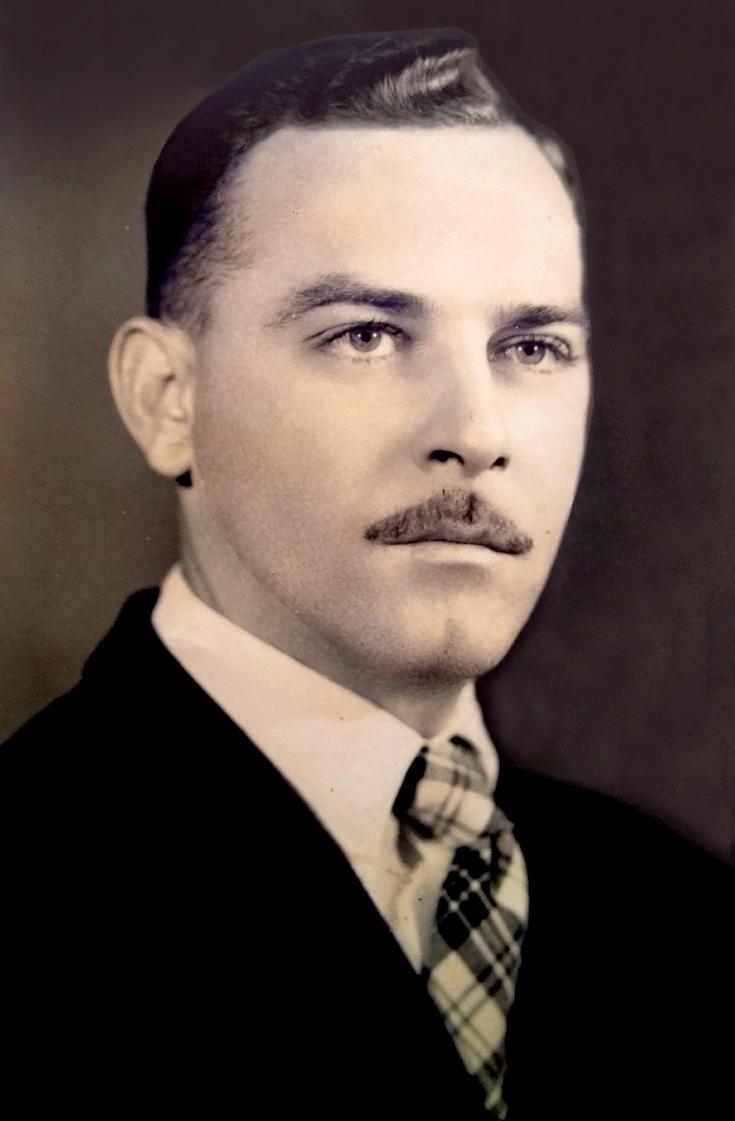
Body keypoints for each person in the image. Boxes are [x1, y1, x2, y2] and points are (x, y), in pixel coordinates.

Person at [2, 28, 730, 1120]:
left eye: (530, 347)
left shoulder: (685, 913)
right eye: (368, 335)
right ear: (167, 399)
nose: (476, 433)